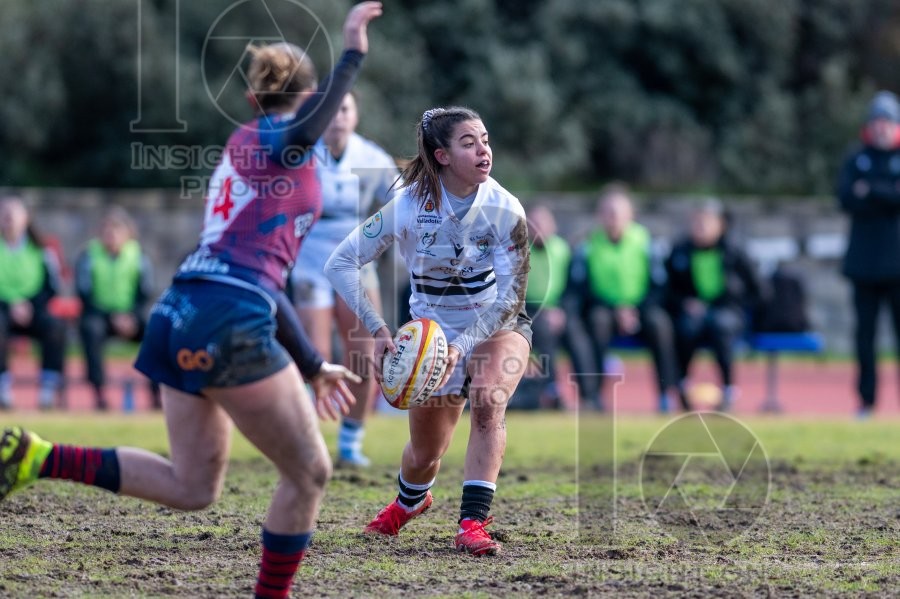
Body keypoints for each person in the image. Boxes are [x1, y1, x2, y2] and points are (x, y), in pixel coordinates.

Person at [0, 5, 382, 599]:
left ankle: (38, 458)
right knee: (309, 472)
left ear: (253, 98)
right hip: (227, 318)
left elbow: (261, 276)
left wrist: (310, 364)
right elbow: (303, 134)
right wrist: (352, 55)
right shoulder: (277, 139)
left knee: (193, 486)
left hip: (183, 310)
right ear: (307, 98)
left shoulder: (247, 142)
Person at [325, 106, 531, 556]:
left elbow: (511, 297)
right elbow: (339, 263)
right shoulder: (408, 207)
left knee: (488, 399)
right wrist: (379, 329)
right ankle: (411, 500)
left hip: (495, 324)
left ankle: (473, 522)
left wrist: (463, 345)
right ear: (441, 155)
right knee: (424, 456)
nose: (484, 150)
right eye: (468, 142)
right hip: (430, 336)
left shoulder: (504, 208)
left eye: (485, 139)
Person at [292, 92, 399, 467]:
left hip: (355, 257)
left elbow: (403, 202)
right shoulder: (301, 151)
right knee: (313, 355)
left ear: (356, 115)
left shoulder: (372, 157)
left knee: (363, 353)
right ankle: (307, 443)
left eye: (346, 109)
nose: (338, 117)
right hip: (308, 258)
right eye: (332, 110)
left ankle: (351, 442)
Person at [565, 184, 679, 412]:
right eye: (607, 212)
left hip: (642, 308)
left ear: (630, 215)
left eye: (618, 212)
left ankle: (667, 393)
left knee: (661, 324)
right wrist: (615, 309)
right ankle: (594, 396)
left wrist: (635, 309)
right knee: (597, 322)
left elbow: (660, 284)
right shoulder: (587, 246)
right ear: (599, 215)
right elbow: (581, 288)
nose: (613, 217)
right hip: (604, 308)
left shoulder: (647, 243)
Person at [664, 199, 762, 412]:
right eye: (696, 222)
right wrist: (685, 303)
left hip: (728, 312)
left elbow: (757, 289)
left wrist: (734, 305)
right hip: (692, 313)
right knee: (686, 328)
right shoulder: (680, 251)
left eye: (706, 222)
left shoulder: (735, 252)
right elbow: (668, 290)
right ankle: (682, 386)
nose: (700, 227)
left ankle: (728, 389)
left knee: (721, 326)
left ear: (721, 225)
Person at [837, 90, 900, 419]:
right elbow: (846, 198)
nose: (881, 127)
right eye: (877, 121)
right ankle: (866, 401)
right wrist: (887, 192)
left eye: (887, 121)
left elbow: (874, 196)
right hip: (863, 266)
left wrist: (871, 190)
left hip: (897, 267)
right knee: (864, 337)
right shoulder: (855, 158)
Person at [75, 206, 154, 411]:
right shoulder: (89, 256)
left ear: (128, 234)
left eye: (116, 230)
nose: (111, 236)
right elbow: (84, 293)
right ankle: (99, 392)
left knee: (157, 330)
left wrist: (131, 316)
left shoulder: (139, 256)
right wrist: (112, 317)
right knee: (90, 330)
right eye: (107, 231)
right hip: (99, 316)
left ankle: (156, 393)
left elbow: (145, 292)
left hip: (130, 317)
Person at [0, 196, 67, 410]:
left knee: (55, 327)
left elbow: (52, 286)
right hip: (3, 310)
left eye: (14, 212)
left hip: (33, 310)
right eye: (4, 213)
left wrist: (29, 305)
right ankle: (3, 388)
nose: (8, 217)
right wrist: (11, 306)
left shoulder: (42, 250)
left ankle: (48, 388)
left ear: (26, 218)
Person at [522, 204, 570, 408]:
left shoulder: (563, 250)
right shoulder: (518, 250)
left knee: (579, 335)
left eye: (543, 222)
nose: (538, 228)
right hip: (527, 309)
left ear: (553, 225)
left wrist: (562, 310)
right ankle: (551, 389)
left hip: (560, 309)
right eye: (534, 223)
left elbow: (574, 287)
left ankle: (590, 395)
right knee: (543, 329)